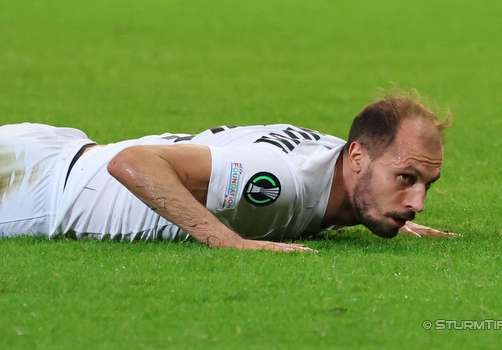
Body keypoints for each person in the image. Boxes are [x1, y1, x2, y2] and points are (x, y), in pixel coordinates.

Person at [0, 90, 454, 252]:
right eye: (405, 179)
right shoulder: (278, 182)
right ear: (358, 158)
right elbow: (133, 162)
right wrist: (227, 240)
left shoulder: (336, 158)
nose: (417, 203)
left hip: (58, 151)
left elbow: (354, 183)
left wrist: (386, 211)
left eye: (424, 186)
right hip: (33, 190)